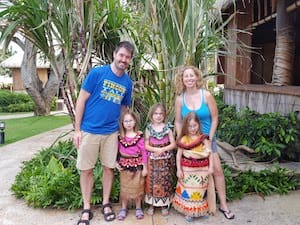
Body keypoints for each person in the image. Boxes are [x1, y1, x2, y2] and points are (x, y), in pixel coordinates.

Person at [73, 41, 134, 225]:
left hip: (111, 133)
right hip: (89, 131)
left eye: (127, 57)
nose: (123, 59)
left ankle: (106, 203)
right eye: (121, 55)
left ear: (130, 60)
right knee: (87, 170)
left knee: (109, 168)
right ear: (115, 54)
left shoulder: (127, 83)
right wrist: (77, 130)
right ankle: (86, 208)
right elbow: (81, 100)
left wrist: (122, 132)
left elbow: (123, 108)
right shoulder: (97, 73)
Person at [174, 65, 235, 220]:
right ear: (182, 79)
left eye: (191, 75)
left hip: (207, 139)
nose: (189, 79)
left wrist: (210, 137)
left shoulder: (206, 95)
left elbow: (215, 117)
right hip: (189, 142)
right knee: (191, 173)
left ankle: (223, 205)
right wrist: (180, 139)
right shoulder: (180, 99)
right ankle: (193, 204)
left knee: (216, 170)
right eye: (186, 76)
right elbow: (178, 121)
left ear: (197, 78)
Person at [172, 112, 215, 222]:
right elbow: (179, 155)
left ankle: (200, 210)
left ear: (198, 125)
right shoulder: (184, 140)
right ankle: (189, 212)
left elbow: (209, 153)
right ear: (186, 126)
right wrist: (179, 169)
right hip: (187, 171)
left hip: (202, 171)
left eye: (194, 125)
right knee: (189, 191)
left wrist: (211, 167)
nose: (192, 128)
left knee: (200, 192)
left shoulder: (203, 139)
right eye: (190, 126)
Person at [144, 103, 176, 216]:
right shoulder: (149, 128)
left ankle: (164, 205)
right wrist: (155, 150)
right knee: (151, 182)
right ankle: (151, 204)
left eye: (161, 113)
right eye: (156, 113)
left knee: (164, 181)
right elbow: (146, 145)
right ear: (152, 115)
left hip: (165, 160)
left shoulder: (167, 128)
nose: (158, 116)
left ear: (164, 115)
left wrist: (162, 150)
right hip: (152, 160)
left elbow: (173, 144)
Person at [115, 109, 148, 220]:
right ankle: (124, 208)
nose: (128, 123)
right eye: (126, 121)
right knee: (125, 188)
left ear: (135, 122)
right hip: (124, 166)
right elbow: (115, 151)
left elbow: (144, 152)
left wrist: (145, 167)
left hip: (137, 166)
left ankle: (138, 207)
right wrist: (115, 162)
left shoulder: (139, 136)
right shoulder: (120, 137)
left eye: (130, 120)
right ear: (122, 123)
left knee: (138, 187)